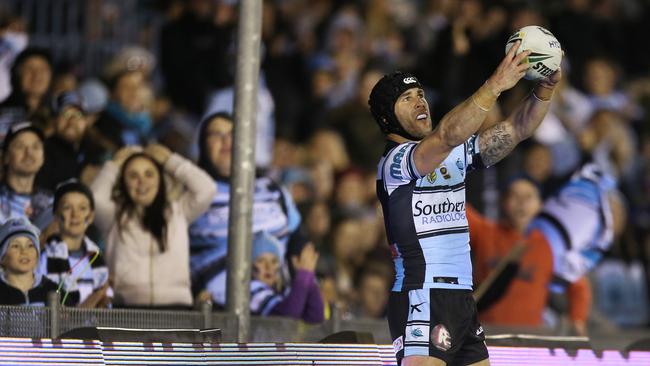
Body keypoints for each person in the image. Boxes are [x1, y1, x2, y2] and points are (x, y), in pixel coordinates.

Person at [370, 40, 560, 366]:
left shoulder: (453, 154)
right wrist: (496, 84)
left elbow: (516, 128)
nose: (420, 102)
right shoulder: (396, 163)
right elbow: (446, 136)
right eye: (406, 98)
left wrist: (544, 90)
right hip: (423, 294)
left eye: (421, 94)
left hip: (462, 299)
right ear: (388, 118)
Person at [189, 112, 300, 307]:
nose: (226, 141)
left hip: (278, 309)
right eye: (216, 134)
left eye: (233, 134)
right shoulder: (192, 192)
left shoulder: (272, 188)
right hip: (217, 311)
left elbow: (299, 242)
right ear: (203, 145)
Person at [90, 143, 215, 308]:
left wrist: (171, 161)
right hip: (127, 309)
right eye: (133, 176)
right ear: (123, 182)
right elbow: (94, 199)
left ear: (160, 179)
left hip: (177, 309)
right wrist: (114, 165)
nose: (141, 182)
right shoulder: (115, 216)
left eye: (149, 174)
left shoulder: (178, 211)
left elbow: (207, 189)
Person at [467, 175, 591, 335]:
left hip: (530, 338)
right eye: (515, 196)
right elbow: (456, 208)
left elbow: (579, 287)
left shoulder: (551, 245)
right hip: (485, 334)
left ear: (540, 205)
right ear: (503, 202)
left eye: (528, 197)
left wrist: (577, 320)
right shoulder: (485, 231)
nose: (521, 203)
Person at [40, 180, 110, 308]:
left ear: (91, 215)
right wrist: (95, 297)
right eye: (67, 208)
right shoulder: (43, 258)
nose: (75, 215)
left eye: (82, 208)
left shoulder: (97, 257)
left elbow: (106, 300)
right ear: (55, 214)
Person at [35, 91, 104, 191]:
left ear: (86, 122)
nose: (72, 121)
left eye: (78, 115)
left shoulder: (94, 150)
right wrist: (79, 176)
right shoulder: (42, 150)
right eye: (65, 114)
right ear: (54, 120)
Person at [249, 231, 324, 323]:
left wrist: (309, 277)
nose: (268, 267)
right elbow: (288, 317)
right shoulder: (251, 291)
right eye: (261, 261)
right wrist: (304, 275)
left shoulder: (282, 290)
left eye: (274, 261)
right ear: (250, 265)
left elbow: (315, 317)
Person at [0, 217, 68, 306]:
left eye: (30, 245)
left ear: (37, 254)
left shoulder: (52, 288)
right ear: (2, 257)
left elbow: (75, 316)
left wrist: (65, 316)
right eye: (15, 246)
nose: (24, 251)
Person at [0, 122, 52, 228]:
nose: (29, 153)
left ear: (43, 157)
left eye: (35, 147)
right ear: (6, 157)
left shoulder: (53, 204)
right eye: (20, 146)